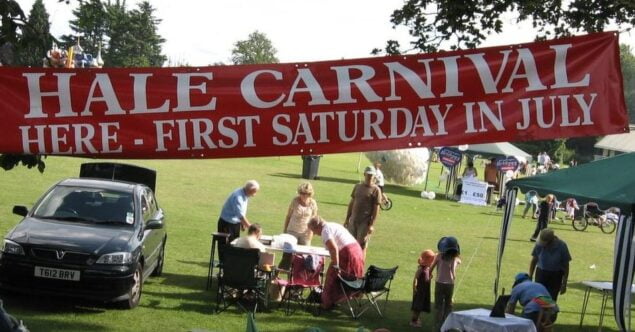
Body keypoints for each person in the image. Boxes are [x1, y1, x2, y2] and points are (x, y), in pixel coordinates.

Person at [308, 216, 364, 310]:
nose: (314, 234)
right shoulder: (333, 225)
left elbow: (334, 249)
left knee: (332, 277)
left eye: (313, 230)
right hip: (357, 251)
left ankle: (327, 304)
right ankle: (338, 300)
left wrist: (336, 266)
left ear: (317, 227)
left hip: (348, 253)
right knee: (347, 277)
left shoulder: (325, 231)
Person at [345, 166, 381, 257]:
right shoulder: (357, 186)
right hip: (353, 220)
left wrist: (371, 225)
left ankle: (360, 266)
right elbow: (352, 203)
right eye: (368, 174)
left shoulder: (376, 190)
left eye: (371, 175)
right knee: (350, 244)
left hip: (364, 222)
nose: (369, 177)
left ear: (374, 176)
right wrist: (347, 219)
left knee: (361, 246)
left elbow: (376, 209)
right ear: (364, 174)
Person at [529, 228, 571, 302]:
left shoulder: (562, 246)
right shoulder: (539, 245)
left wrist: (564, 283)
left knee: (550, 301)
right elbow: (534, 260)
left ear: (551, 242)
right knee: (539, 299)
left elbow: (566, 266)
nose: (543, 246)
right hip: (541, 274)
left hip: (555, 277)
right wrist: (530, 276)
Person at [431, 236, 461, 330]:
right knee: (448, 306)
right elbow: (453, 272)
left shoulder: (438, 256)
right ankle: (446, 326)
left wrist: (429, 275)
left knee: (439, 306)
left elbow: (431, 268)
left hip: (439, 283)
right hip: (450, 284)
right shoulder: (454, 258)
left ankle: (438, 326)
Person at [410, 249, 436, 328]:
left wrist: (430, 277)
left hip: (424, 290)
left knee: (421, 305)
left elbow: (426, 277)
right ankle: (413, 321)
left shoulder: (428, 268)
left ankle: (416, 319)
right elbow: (416, 278)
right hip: (419, 291)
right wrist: (414, 288)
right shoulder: (421, 269)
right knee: (417, 306)